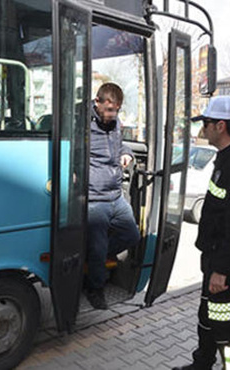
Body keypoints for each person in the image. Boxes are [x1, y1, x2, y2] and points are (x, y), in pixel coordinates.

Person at [172, 96, 230, 370]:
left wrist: (221, 270)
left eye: (206, 124)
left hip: (226, 266)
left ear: (220, 126)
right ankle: (202, 364)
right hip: (215, 259)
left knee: (224, 328)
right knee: (208, 319)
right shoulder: (227, 160)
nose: (203, 129)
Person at [85, 82, 141, 310]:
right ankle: (95, 289)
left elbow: (120, 146)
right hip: (95, 198)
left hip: (115, 196)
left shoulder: (116, 123)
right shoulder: (82, 123)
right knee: (98, 248)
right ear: (97, 103)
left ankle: (93, 257)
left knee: (132, 235)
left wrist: (127, 153)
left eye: (115, 111)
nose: (112, 116)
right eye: (108, 110)